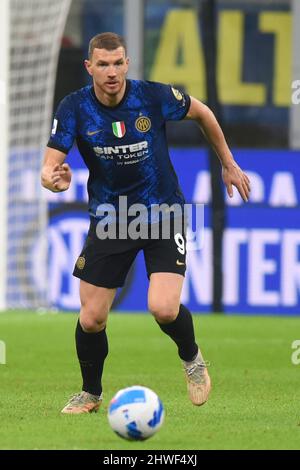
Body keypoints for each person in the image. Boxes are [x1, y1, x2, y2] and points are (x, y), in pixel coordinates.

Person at [41, 32, 250, 414]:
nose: (111, 72)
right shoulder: (74, 107)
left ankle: (192, 359)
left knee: (164, 308)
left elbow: (203, 112)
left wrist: (228, 163)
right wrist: (54, 180)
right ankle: (90, 393)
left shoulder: (152, 96)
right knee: (91, 318)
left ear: (127, 64)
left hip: (162, 214)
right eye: (102, 64)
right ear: (89, 67)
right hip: (110, 219)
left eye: (118, 63)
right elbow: (48, 168)